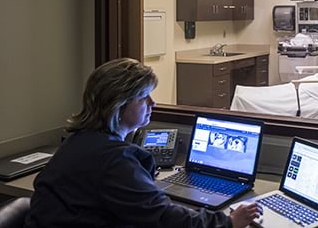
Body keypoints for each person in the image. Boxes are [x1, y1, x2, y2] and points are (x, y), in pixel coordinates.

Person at [25, 58, 260, 228]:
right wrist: (228, 222)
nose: (153, 103)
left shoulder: (77, 142)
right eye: (143, 97)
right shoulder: (114, 160)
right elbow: (161, 218)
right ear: (119, 104)